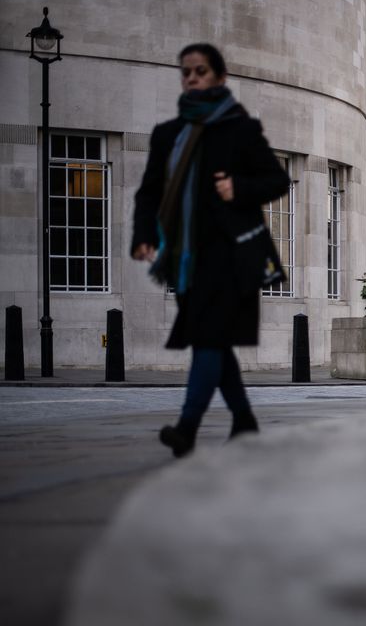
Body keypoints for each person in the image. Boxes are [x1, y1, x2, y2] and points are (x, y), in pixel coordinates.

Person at [131, 43, 290, 458]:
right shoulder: (167, 134)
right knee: (215, 343)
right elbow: (150, 191)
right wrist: (143, 234)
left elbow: (276, 180)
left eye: (200, 71)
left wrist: (239, 187)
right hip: (183, 258)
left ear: (219, 77)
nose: (191, 78)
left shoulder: (240, 129)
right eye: (186, 72)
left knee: (208, 339)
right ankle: (244, 420)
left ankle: (187, 428)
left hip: (231, 255)